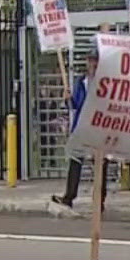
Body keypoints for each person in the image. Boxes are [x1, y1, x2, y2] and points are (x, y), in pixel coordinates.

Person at [51, 53, 101, 214]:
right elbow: (76, 104)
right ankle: (69, 196)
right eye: (90, 60)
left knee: (100, 163)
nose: (92, 64)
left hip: (99, 126)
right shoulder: (82, 82)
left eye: (95, 60)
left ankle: (100, 199)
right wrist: (69, 98)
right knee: (75, 160)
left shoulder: (104, 81)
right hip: (82, 126)